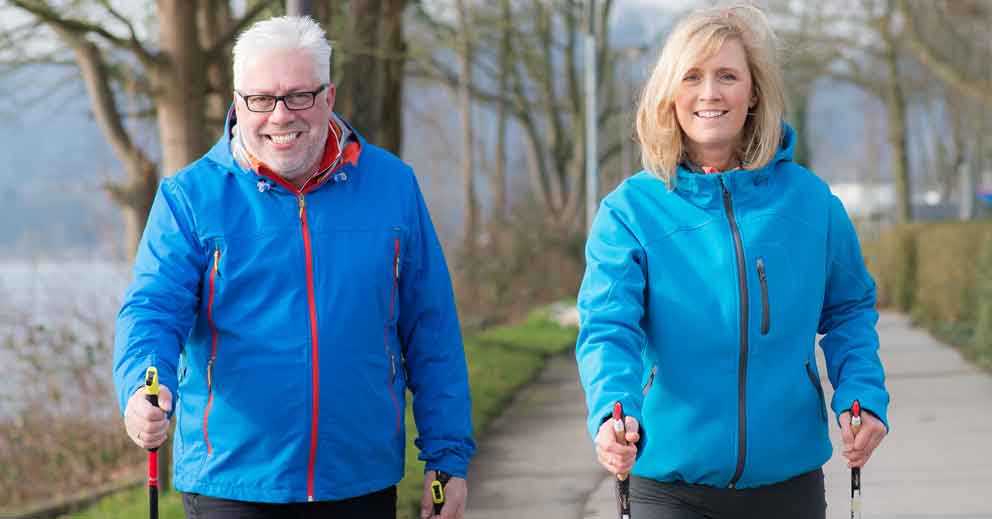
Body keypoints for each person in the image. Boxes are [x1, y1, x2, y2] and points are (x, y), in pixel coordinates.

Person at [113, 16, 474, 519]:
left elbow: (431, 329)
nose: (280, 116)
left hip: (360, 481)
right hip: (232, 486)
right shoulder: (188, 198)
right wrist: (141, 387)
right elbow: (152, 311)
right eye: (261, 99)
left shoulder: (394, 187)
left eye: (299, 96)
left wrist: (447, 456)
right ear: (238, 103)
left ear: (329, 96)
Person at [575, 5, 889, 518]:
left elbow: (849, 309)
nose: (709, 93)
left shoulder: (811, 203)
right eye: (692, 77)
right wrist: (614, 412)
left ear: (754, 92)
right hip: (669, 487)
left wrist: (863, 395)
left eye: (727, 76)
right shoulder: (629, 212)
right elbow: (609, 329)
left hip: (788, 486)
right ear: (669, 93)